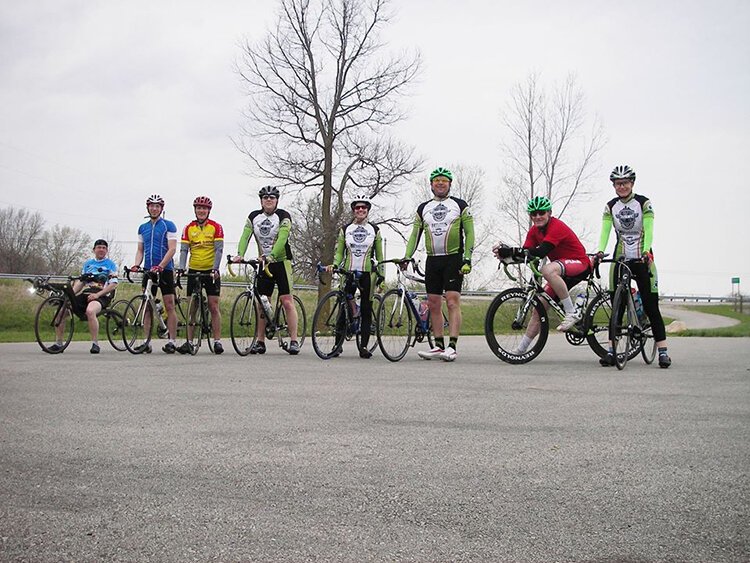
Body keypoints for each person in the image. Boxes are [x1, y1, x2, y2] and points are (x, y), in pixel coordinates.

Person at [493, 196, 591, 354]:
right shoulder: (534, 231)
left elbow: (540, 251)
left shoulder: (556, 226)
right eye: (533, 214)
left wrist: (511, 250)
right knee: (539, 307)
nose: (537, 216)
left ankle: (572, 312)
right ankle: (521, 350)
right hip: (559, 271)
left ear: (549, 213)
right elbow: (526, 254)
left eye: (541, 213)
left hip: (579, 263)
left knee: (547, 270)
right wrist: (504, 255)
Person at [595, 165, 671, 368]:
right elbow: (605, 232)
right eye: (618, 183)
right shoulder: (611, 206)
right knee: (616, 307)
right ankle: (612, 350)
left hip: (642, 258)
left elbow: (649, 229)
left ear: (632, 184)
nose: (622, 186)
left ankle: (663, 351)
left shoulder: (643, 203)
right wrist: (600, 251)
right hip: (621, 257)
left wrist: (646, 252)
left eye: (625, 183)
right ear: (614, 185)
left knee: (650, 305)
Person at [402, 167, 475, 362]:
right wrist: (406, 256)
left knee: (452, 301)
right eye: (436, 180)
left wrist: (467, 258)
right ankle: (438, 345)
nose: (440, 183)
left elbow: (470, 234)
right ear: (431, 185)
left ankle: (452, 346)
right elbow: (415, 235)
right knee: (433, 303)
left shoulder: (460, 205)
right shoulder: (423, 208)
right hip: (433, 259)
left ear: (450, 184)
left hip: (453, 258)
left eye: (444, 180)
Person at [232, 185, 300, 355]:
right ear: (261, 200)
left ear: (277, 200)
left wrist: (272, 255)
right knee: (262, 303)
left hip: (281, 262)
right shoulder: (254, 217)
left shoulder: (283, 216)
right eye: (265, 197)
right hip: (263, 263)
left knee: (286, 301)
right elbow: (245, 235)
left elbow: (283, 238)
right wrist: (239, 255)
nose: (268, 200)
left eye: (272, 197)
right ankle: (260, 341)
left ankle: (293, 340)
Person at [325, 196, 385, 358]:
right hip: (349, 272)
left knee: (366, 309)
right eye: (357, 208)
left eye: (363, 208)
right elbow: (339, 253)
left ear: (367, 210)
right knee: (342, 310)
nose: (360, 210)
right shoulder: (345, 229)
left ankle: (364, 347)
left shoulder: (375, 229)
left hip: (367, 274)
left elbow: (380, 256)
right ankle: (338, 346)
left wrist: (382, 276)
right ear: (353, 210)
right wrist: (335, 265)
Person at [49, 239, 119, 354]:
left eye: (104, 248)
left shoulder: (110, 264)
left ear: (106, 250)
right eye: (99, 247)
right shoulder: (88, 264)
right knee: (61, 311)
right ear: (94, 250)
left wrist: (97, 295)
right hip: (87, 292)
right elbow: (81, 283)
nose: (101, 249)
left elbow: (113, 284)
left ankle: (95, 344)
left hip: (102, 294)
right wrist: (70, 295)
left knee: (90, 311)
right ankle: (58, 343)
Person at [176, 196, 225, 355]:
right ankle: (189, 341)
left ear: (208, 211)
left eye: (204, 209)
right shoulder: (188, 228)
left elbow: (218, 250)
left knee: (213, 306)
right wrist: (181, 268)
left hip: (210, 270)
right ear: (195, 210)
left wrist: (215, 269)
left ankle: (217, 341)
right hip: (194, 270)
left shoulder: (216, 227)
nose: (201, 211)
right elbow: (184, 250)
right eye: (199, 208)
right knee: (192, 308)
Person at [131, 193, 179, 354]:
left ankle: (172, 340)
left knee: (169, 304)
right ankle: (146, 342)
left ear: (161, 208)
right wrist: (136, 265)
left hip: (165, 269)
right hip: (148, 270)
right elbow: (140, 250)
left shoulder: (168, 225)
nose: (154, 208)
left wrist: (161, 265)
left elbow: (172, 249)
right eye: (152, 205)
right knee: (146, 306)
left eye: (157, 206)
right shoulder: (142, 228)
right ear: (148, 208)